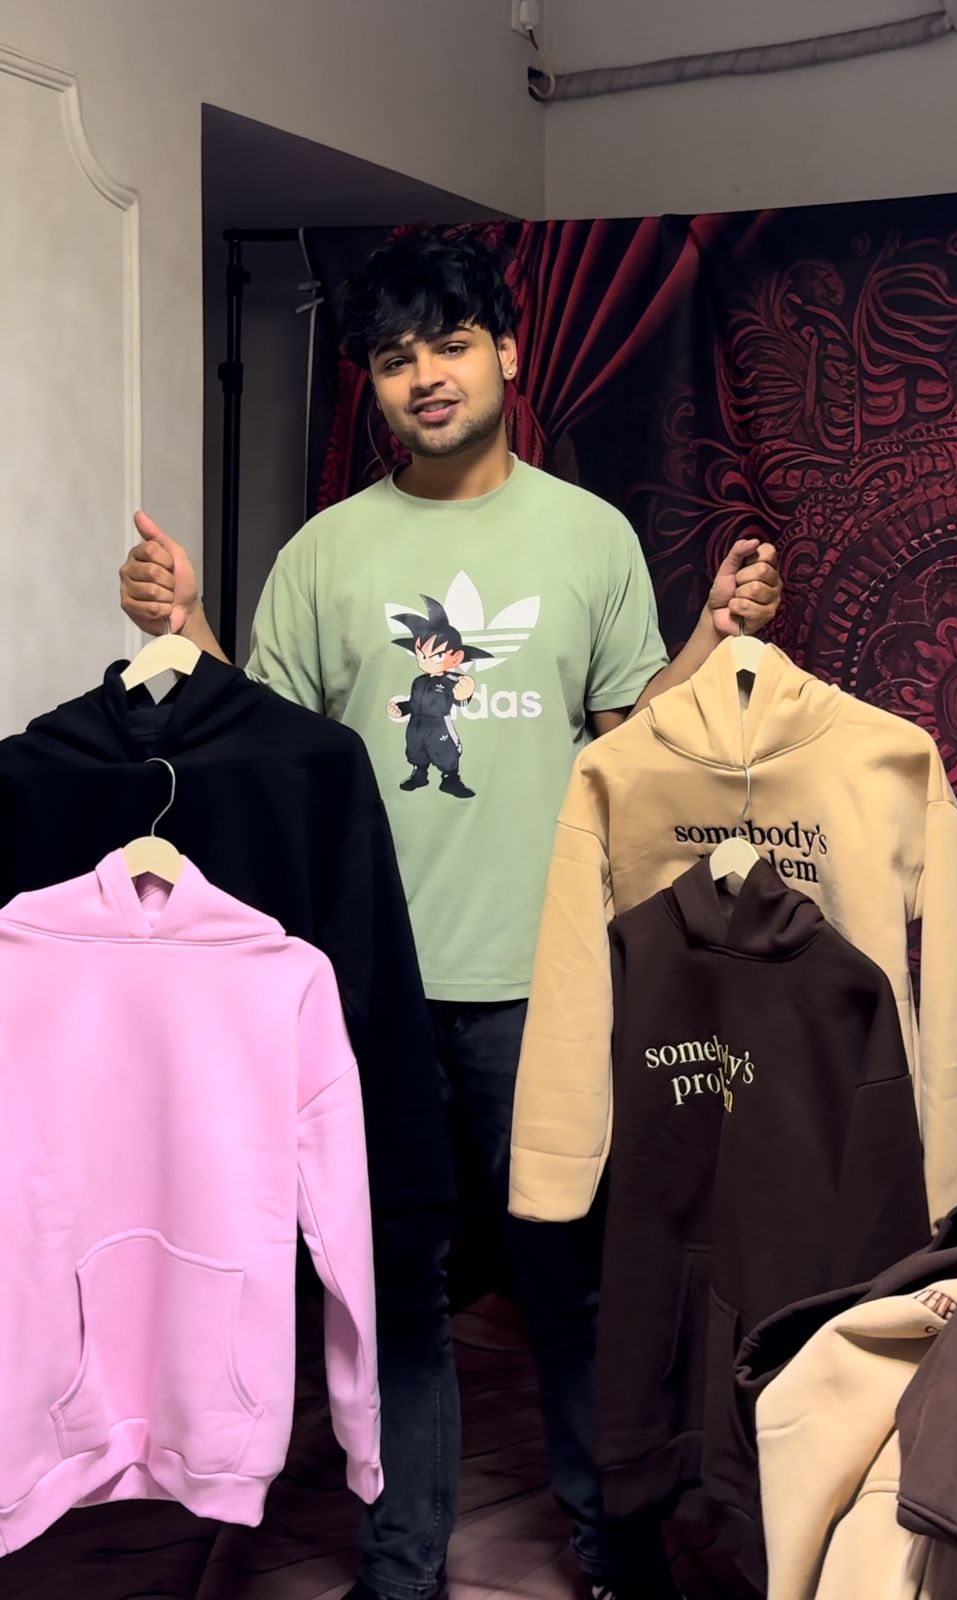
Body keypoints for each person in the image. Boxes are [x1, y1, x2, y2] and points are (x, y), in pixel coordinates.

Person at [120, 233, 781, 1600]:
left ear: (507, 353)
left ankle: (617, 1550)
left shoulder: (587, 536)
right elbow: (270, 749)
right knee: (390, 1292)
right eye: (392, 356)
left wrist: (711, 637)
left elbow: (634, 745)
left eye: (451, 344)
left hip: (545, 980)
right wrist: (187, 627)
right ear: (371, 382)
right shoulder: (325, 553)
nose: (424, 375)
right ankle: (402, 1565)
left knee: (571, 1280)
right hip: (366, 986)